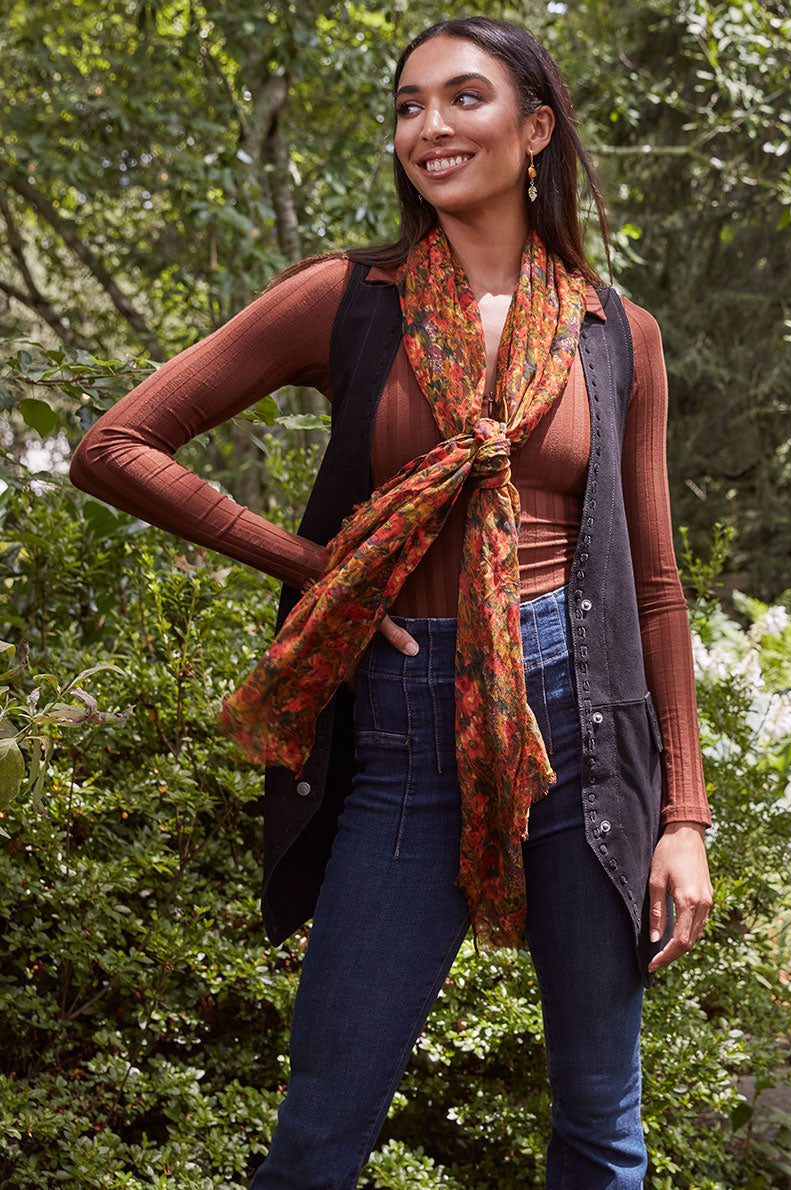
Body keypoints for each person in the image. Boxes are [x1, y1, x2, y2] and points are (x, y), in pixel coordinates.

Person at [69, 16, 713, 1189]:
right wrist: (320, 569)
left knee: (600, 1123)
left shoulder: (615, 333)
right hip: (407, 733)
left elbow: (657, 591)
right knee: (322, 1122)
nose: (428, 127)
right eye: (407, 106)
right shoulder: (350, 298)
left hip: (585, 730)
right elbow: (115, 446)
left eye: (463, 98)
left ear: (534, 129)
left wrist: (682, 816)